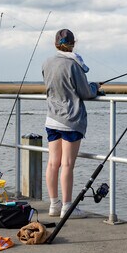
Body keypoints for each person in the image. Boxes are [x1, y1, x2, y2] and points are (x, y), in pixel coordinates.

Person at [42, 29, 99, 218]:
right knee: (67, 164)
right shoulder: (74, 65)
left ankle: (54, 205)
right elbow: (85, 92)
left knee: (52, 163)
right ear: (73, 43)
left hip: (52, 118)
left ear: (56, 43)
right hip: (71, 119)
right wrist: (96, 87)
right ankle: (67, 207)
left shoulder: (47, 62)